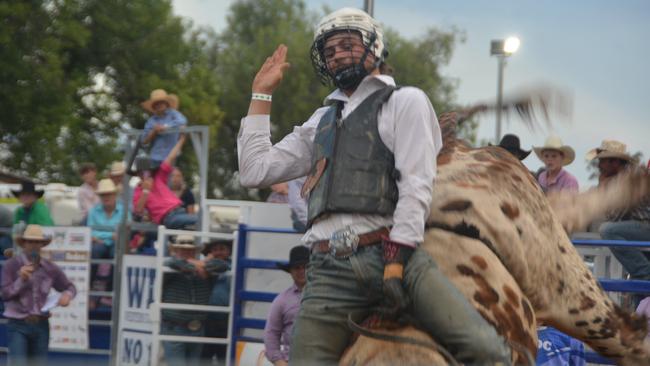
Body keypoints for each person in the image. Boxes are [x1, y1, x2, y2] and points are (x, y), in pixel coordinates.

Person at [237, 7, 510, 364]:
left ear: (374, 47)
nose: (337, 56)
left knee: (486, 350)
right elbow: (254, 171)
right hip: (326, 268)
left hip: (390, 254)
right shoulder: (321, 120)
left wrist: (397, 259)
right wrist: (261, 95)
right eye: (329, 52)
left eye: (347, 45)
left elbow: (417, 184)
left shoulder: (405, 102)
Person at [1, 224, 76, 366]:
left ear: (42, 244)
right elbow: (5, 294)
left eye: (37, 242)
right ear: (23, 243)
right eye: (30, 241)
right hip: (18, 324)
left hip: (41, 323)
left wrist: (67, 295)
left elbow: (69, 287)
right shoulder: (11, 265)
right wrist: (21, 280)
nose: (34, 245)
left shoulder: (50, 268)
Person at [161, 235, 228, 366]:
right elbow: (172, 263)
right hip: (174, 326)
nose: (187, 252)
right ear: (176, 250)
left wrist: (197, 266)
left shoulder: (204, 268)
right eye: (183, 249)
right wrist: (198, 266)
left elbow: (223, 265)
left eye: (190, 249)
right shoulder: (169, 268)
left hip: (196, 327)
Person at [589, 141, 650, 283]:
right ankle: (642, 278)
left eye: (602, 161)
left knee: (608, 230)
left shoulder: (626, 180)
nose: (599, 165)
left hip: (646, 226)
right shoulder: (628, 176)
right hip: (641, 228)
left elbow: (615, 216)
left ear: (615, 162)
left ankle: (646, 273)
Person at [132, 133, 198, 230]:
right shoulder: (138, 191)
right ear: (139, 174)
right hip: (169, 218)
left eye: (148, 170)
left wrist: (181, 140)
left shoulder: (158, 177)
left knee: (202, 223)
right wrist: (145, 191)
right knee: (201, 221)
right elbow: (138, 211)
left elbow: (170, 158)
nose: (147, 174)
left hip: (180, 211)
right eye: (143, 172)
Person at [264, 246, 308, 366]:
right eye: (297, 268)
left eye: (305, 267)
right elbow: (271, 335)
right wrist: (280, 362)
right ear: (291, 271)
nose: (301, 271)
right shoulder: (281, 301)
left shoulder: (324, 296)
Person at [201, 239, 233, 365]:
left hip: (226, 320)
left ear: (229, 251)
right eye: (215, 250)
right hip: (208, 319)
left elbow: (220, 265)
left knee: (223, 356)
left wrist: (207, 261)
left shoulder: (232, 266)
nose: (218, 252)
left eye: (222, 249)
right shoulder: (207, 267)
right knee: (205, 357)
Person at [141, 89, 188, 166]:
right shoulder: (151, 121)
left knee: (171, 177)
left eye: (161, 102)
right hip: (155, 158)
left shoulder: (173, 113)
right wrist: (154, 131)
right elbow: (144, 140)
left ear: (166, 103)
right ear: (153, 106)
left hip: (171, 158)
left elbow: (183, 121)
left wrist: (165, 127)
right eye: (156, 103)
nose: (159, 105)